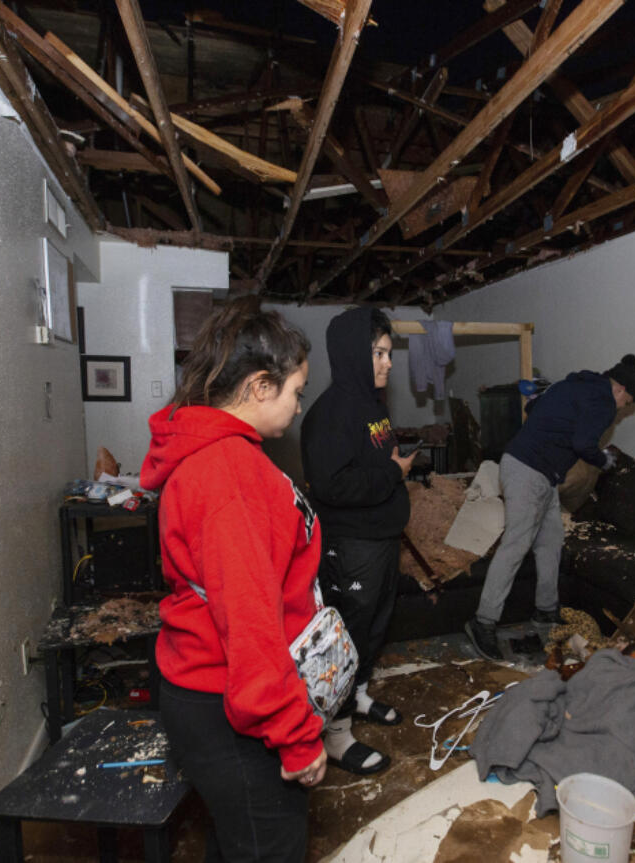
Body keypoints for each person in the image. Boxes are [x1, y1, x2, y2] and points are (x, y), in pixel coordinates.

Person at [139, 297, 324, 863]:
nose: (298, 407)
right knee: (273, 846)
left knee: (237, 838)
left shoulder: (221, 455)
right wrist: (295, 735)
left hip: (212, 694)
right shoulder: (227, 473)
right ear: (259, 387)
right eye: (295, 391)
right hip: (230, 705)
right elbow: (247, 621)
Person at [464, 354, 635, 661]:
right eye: (626, 404)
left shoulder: (572, 384)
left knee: (550, 542)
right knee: (516, 545)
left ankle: (546, 611)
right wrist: (604, 460)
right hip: (528, 471)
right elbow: (585, 443)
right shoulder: (603, 402)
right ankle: (483, 622)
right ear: (622, 390)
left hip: (538, 473)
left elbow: (533, 407)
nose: (622, 410)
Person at [300, 307, 415, 775]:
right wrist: (392, 471)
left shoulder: (373, 405)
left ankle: (360, 696)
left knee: (375, 626)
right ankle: (337, 735)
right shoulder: (329, 414)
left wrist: (388, 468)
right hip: (352, 546)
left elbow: (370, 463)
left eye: (390, 353)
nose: (389, 363)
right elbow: (332, 486)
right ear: (352, 354)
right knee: (347, 638)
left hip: (382, 539)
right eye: (380, 353)